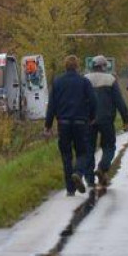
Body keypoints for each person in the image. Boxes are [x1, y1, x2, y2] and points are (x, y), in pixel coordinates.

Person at [44, 55, 97, 196]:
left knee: (66, 155)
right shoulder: (84, 82)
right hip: (81, 122)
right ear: (77, 66)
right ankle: (78, 173)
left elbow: (52, 106)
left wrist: (48, 125)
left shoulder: (57, 82)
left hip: (63, 123)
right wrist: (92, 117)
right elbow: (93, 101)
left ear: (65, 66)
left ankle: (70, 189)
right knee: (83, 152)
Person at [85, 55, 128, 186]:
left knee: (89, 149)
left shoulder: (85, 79)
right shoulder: (110, 79)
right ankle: (102, 168)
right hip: (106, 119)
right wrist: (126, 119)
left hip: (89, 120)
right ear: (104, 66)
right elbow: (119, 101)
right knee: (109, 146)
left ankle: (89, 179)